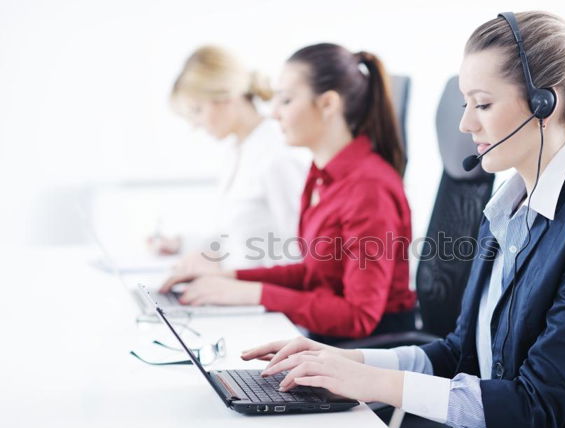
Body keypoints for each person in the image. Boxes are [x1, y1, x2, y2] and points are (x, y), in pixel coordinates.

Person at [239, 11, 565, 428]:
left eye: (481, 104)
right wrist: (343, 362)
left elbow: (533, 408)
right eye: (465, 104)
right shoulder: (510, 206)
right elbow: (458, 352)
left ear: (545, 104)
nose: (465, 124)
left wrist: (368, 384)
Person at [160, 43, 416, 340]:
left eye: (286, 100)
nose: (274, 113)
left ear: (328, 104)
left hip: (367, 353)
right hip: (327, 342)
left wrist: (253, 293)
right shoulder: (321, 176)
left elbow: (359, 317)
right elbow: (312, 272)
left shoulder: (368, 188)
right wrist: (229, 278)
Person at [149, 45, 309, 271]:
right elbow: (237, 238)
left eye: (197, 110)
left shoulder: (277, 155)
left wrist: (225, 274)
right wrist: (182, 244)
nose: (196, 125)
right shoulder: (238, 149)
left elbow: (299, 252)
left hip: (260, 297)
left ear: (226, 97)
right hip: (237, 291)